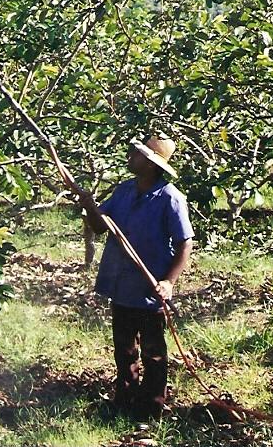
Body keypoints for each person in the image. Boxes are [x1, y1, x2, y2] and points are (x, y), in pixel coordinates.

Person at [80, 136, 194, 421]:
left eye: (137, 154)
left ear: (152, 164)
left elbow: (184, 245)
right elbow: (100, 226)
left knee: (153, 351)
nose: (131, 156)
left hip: (150, 288)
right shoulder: (124, 191)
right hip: (122, 284)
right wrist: (89, 206)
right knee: (124, 348)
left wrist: (168, 282)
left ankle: (152, 406)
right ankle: (125, 399)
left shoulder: (170, 198)